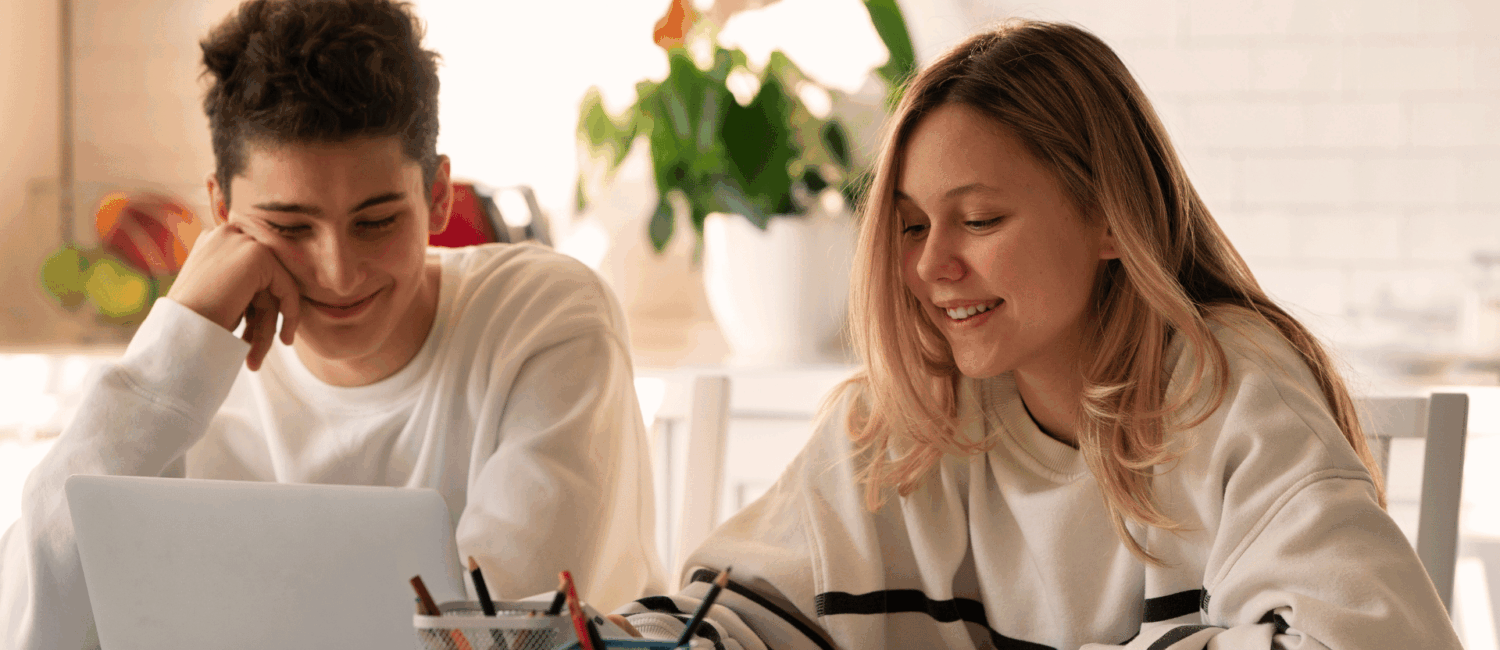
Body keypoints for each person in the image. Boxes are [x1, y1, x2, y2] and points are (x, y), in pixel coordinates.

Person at [610, 19, 1464, 650]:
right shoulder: (905, 415)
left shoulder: (1229, 388)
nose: (930, 266)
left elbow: (1376, 638)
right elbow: (741, 616)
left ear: (1110, 219)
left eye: (979, 220)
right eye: (912, 226)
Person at [0, 1, 665, 648]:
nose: (339, 273)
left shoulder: (545, 319)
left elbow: (502, 638)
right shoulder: (187, 367)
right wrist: (173, 344)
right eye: (289, 228)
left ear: (437, 196)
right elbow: (26, 629)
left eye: (376, 222)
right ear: (222, 211)